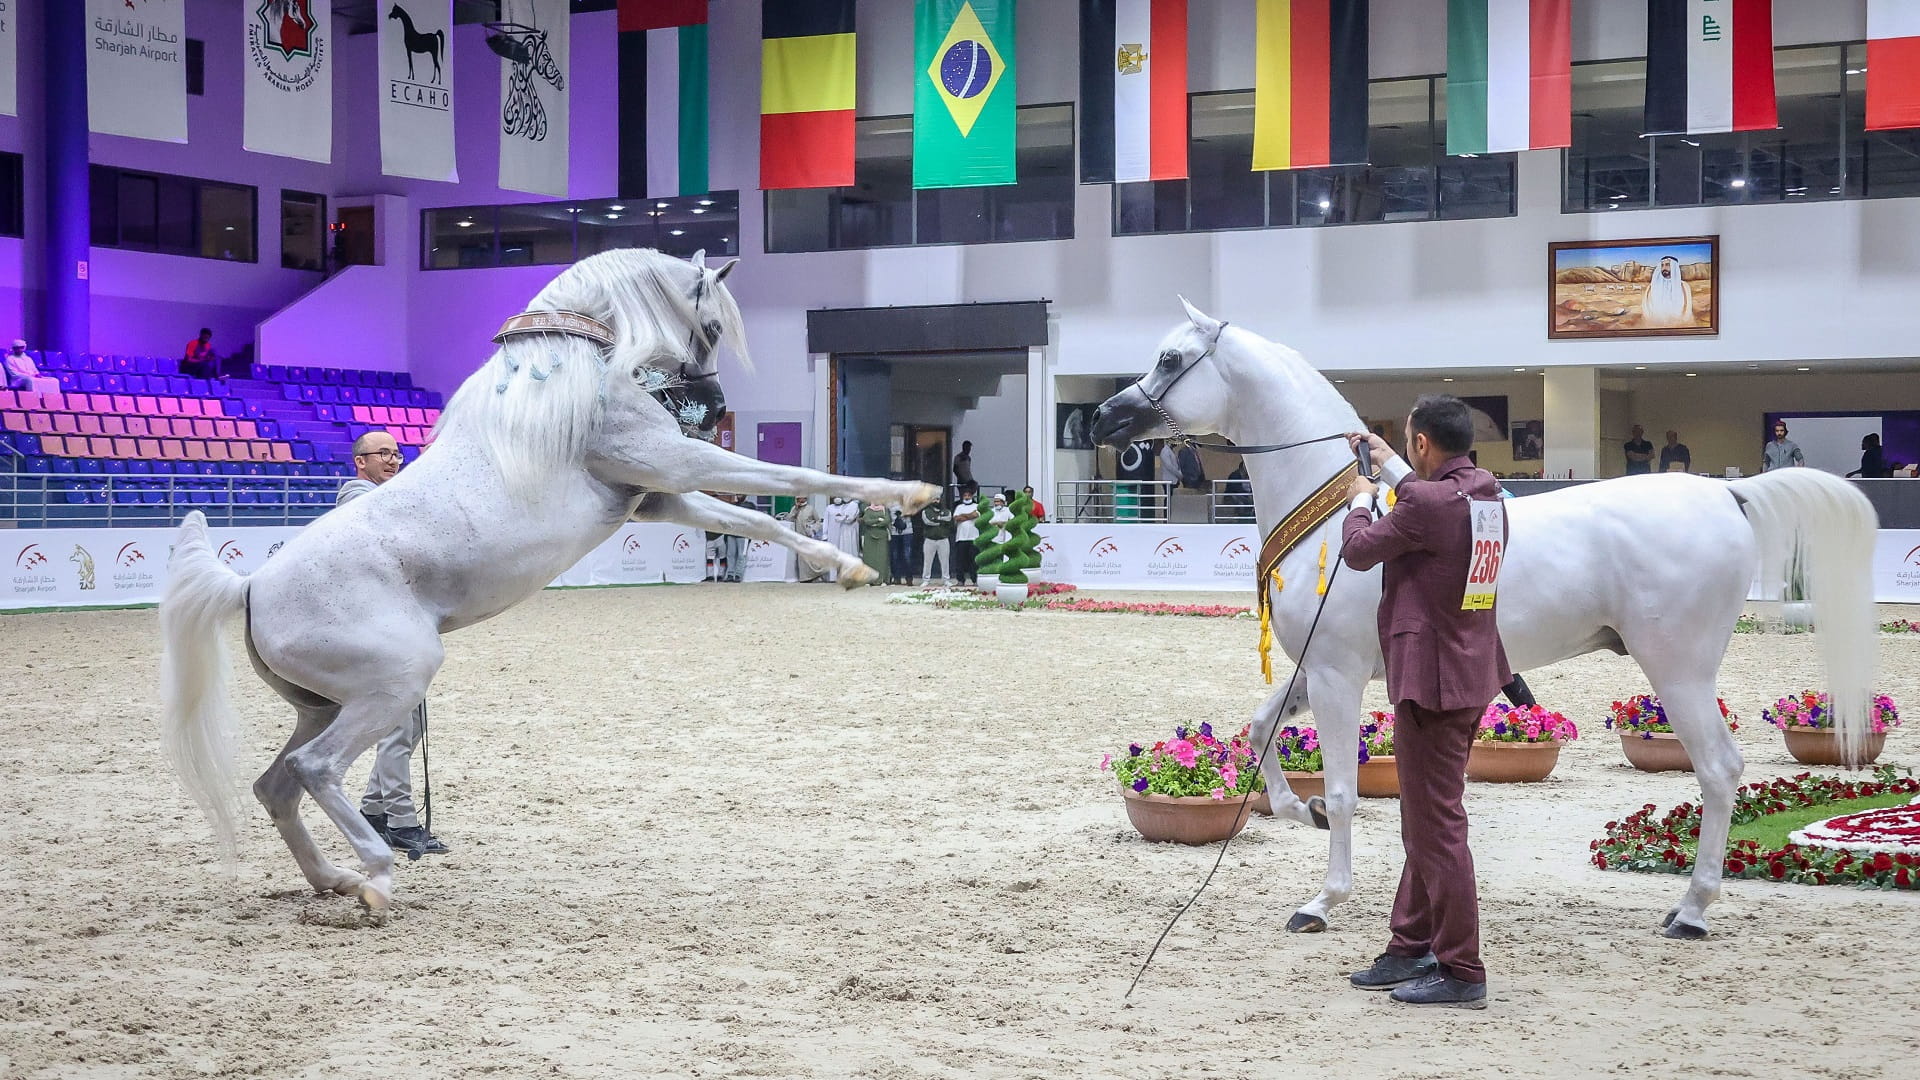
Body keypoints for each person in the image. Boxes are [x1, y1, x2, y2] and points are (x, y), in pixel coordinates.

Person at [1338, 395, 1511, 1009]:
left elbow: (1359, 551)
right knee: (1427, 817)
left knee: (1437, 827)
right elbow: (1430, 505)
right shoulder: (1486, 493)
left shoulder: (1427, 502)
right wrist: (1396, 468)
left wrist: (1362, 497)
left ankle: (1463, 968)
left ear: (1421, 444)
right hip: (1468, 670)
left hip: (1433, 681)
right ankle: (1411, 943)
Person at [336, 431, 448, 857]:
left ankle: (374, 809)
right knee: (399, 726)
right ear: (359, 461)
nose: (393, 459)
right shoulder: (356, 496)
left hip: (394, 626)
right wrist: (427, 472)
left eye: (397, 453)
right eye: (383, 453)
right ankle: (402, 821)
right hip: (372, 631)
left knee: (410, 724)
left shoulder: (387, 495)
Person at [786, 496, 828, 583]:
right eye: (799, 499)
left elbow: (818, 521)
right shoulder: (794, 508)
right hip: (799, 535)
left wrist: (813, 529)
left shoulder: (810, 508)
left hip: (809, 535)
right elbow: (789, 519)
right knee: (802, 558)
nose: (801, 500)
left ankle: (817, 575)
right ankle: (805, 578)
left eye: (802, 499)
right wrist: (795, 510)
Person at [824, 496, 861, 581]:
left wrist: (842, 517)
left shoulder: (853, 505)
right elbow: (829, 520)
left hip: (850, 531)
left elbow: (849, 519)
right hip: (840, 533)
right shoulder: (831, 507)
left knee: (851, 551)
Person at [951, 486, 981, 586]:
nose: (967, 497)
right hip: (961, 538)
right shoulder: (959, 507)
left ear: (972, 496)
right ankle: (960, 580)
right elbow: (956, 518)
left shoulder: (977, 506)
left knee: (974, 560)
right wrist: (969, 515)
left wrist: (964, 516)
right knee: (960, 560)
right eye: (965, 495)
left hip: (973, 537)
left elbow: (976, 515)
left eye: (969, 495)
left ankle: (975, 580)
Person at [918, 500, 953, 586]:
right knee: (927, 561)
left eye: (938, 499)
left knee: (945, 561)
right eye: (934, 499)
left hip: (943, 539)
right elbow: (927, 522)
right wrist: (940, 521)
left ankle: (946, 579)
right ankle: (926, 579)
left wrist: (936, 519)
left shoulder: (947, 511)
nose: (936, 501)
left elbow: (948, 519)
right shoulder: (925, 511)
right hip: (930, 539)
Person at [859, 500, 891, 585]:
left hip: (882, 536)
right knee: (869, 558)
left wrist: (875, 524)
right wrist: (878, 520)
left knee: (882, 558)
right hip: (869, 536)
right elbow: (866, 520)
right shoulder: (868, 510)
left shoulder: (885, 509)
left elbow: (887, 520)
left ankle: (882, 579)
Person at [887, 508, 914, 585]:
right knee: (894, 556)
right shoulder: (889, 501)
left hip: (907, 531)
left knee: (907, 555)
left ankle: (909, 578)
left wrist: (904, 513)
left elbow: (914, 511)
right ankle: (896, 577)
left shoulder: (907, 500)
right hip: (893, 532)